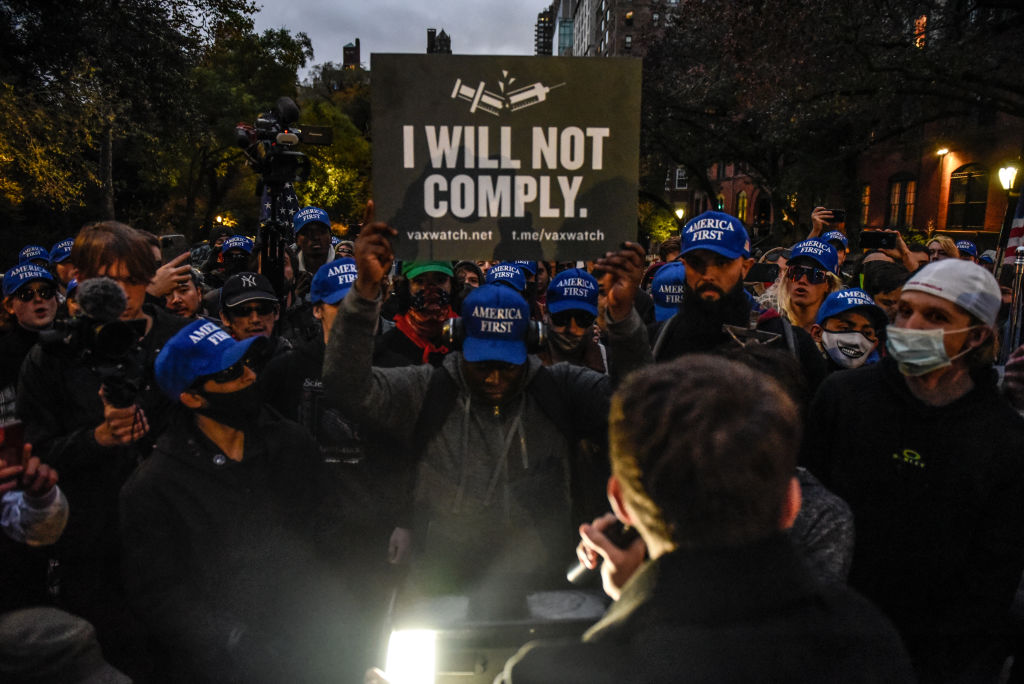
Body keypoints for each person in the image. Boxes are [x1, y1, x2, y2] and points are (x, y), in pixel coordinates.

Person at [499, 356, 913, 683]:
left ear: (622, 502)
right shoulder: (868, 645)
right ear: (791, 503)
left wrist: (634, 603)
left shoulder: (550, 674)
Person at [323, 214, 652, 595]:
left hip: (546, 580)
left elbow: (639, 408)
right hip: (443, 581)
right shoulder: (429, 387)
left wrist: (624, 320)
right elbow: (346, 387)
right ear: (458, 340)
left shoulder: (559, 388)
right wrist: (364, 295)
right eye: (482, 365)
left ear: (530, 342)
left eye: (507, 366)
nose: (494, 379)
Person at [802, 258, 1024, 681]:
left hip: (935, 656)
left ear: (976, 335)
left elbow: (993, 578)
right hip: (831, 636)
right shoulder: (844, 398)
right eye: (905, 310)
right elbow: (808, 504)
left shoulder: (1003, 439)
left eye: (935, 316)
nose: (912, 325)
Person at [122, 319, 365, 683]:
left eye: (247, 364)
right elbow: (159, 594)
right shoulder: (155, 486)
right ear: (192, 397)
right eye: (231, 372)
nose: (249, 376)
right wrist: (232, 640)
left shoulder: (291, 443)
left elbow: (329, 528)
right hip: (223, 668)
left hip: (315, 646)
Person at [16, 221, 188, 679]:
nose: (126, 293)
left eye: (135, 279)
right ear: (79, 278)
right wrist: (97, 439)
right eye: (110, 281)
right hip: (92, 543)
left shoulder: (177, 339)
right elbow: (38, 453)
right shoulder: (52, 356)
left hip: (172, 534)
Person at [651, 211, 827, 390]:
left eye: (722, 263)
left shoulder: (788, 341)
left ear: (745, 267)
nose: (708, 275)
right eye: (697, 263)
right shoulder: (660, 339)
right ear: (685, 266)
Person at [0, 265, 59, 422]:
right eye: (26, 294)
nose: (39, 299)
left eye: (46, 292)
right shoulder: (4, 354)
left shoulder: (78, 341)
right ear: (9, 306)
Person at [375, 261, 456, 367]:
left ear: (452, 285)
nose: (431, 291)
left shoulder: (466, 340)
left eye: (440, 280)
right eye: (420, 281)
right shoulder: (386, 347)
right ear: (405, 287)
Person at [538, 268, 606, 372]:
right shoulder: (523, 360)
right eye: (562, 317)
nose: (572, 329)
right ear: (545, 312)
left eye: (583, 319)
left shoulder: (608, 362)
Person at [809, 289, 887, 372]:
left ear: (874, 344)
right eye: (845, 328)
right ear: (817, 333)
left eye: (866, 333)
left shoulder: (883, 381)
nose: (856, 341)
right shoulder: (799, 375)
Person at [774, 239, 843, 332]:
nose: (802, 281)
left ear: (829, 284)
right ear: (787, 277)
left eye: (815, 275)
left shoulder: (837, 330)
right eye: (796, 272)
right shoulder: (770, 317)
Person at [218, 271, 290, 359]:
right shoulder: (212, 362)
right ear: (225, 318)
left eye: (264, 309)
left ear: (277, 311)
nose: (255, 319)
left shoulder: (291, 362)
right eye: (243, 311)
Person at [293, 205, 336, 276]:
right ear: (297, 240)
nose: (316, 237)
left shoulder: (347, 268)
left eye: (321, 232)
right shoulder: (289, 270)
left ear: (331, 237)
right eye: (307, 233)